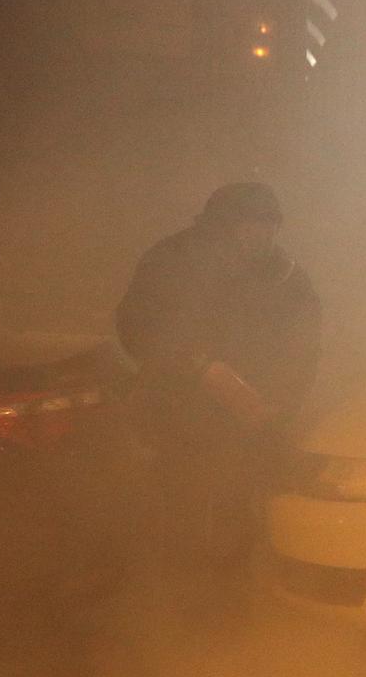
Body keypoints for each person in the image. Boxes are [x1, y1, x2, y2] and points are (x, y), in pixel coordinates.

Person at [117, 182, 321, 599]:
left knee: (248, 520)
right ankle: (175, 612)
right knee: (180, 519)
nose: (260, 237)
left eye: (269, 227)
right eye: (248, 226)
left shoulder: (286, 277)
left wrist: (281, 402)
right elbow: (137, 326)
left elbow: (305, 346)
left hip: (254, 426)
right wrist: (202, 368)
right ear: (220, 226)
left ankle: (236, 614)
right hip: (178, 421)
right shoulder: (172, 261)